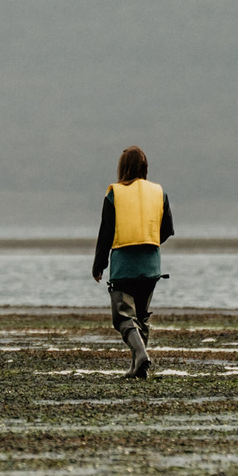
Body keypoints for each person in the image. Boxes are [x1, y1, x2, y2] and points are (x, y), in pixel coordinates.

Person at [91, 145, 174, 379]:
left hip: (124, 268)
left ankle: (141, 356)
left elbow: (105, 234)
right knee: (141, 317)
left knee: (123, 317)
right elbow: (166, 230)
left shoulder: (114, 194)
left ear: (123, 168)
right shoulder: (159, 193)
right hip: (151, 267)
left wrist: (99, 265)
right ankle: (138, 367)